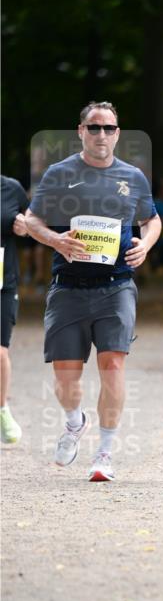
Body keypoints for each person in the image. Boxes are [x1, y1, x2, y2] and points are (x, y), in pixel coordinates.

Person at [25, 100, 162, 481]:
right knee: (66, 377)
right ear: (81, 131)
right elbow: (32, 219)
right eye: (95, 128)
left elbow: (152, 221)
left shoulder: (133, 176)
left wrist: (146, 245)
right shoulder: (59, 173)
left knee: (113, 364)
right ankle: (74, 422)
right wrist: (56, 239)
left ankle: (104, 454)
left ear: (118, 133)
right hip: (68, 286)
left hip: (116, 285)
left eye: (110, 128)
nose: (102, 135)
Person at [0, 175, 29, 443]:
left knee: (0, 350)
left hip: (3, 283)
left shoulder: (11, 188)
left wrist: (24, 226)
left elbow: (31, 222)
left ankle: (2, 410)